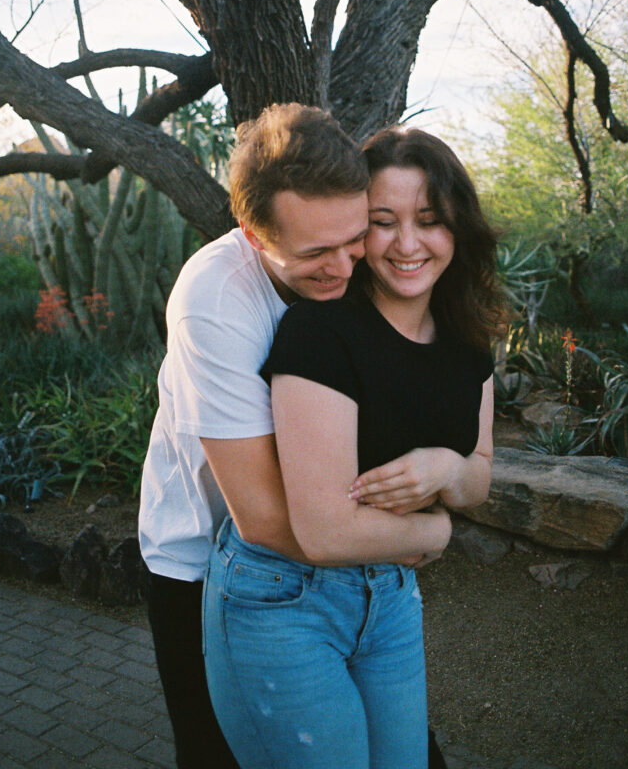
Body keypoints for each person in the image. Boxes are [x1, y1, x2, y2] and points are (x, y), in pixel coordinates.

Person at [139, 105, 449, 769]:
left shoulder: (358, 259)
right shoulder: (216, 300)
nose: (345, 267)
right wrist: (427, 535)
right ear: (253, 234)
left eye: (354, 237)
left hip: (342, 554)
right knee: (216, 754)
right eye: (315, 253)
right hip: (208, 563)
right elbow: (266, 518)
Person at [201, 126, 509, 769]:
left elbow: (479, 474)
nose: (407, 244)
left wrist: (446, 467)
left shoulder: (468, 335)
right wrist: (438, 534)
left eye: (429, 220)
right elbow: (323, 532)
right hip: (283, 598)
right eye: (382, 222)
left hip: (391, 597)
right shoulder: (319, 331)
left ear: (458, 228)